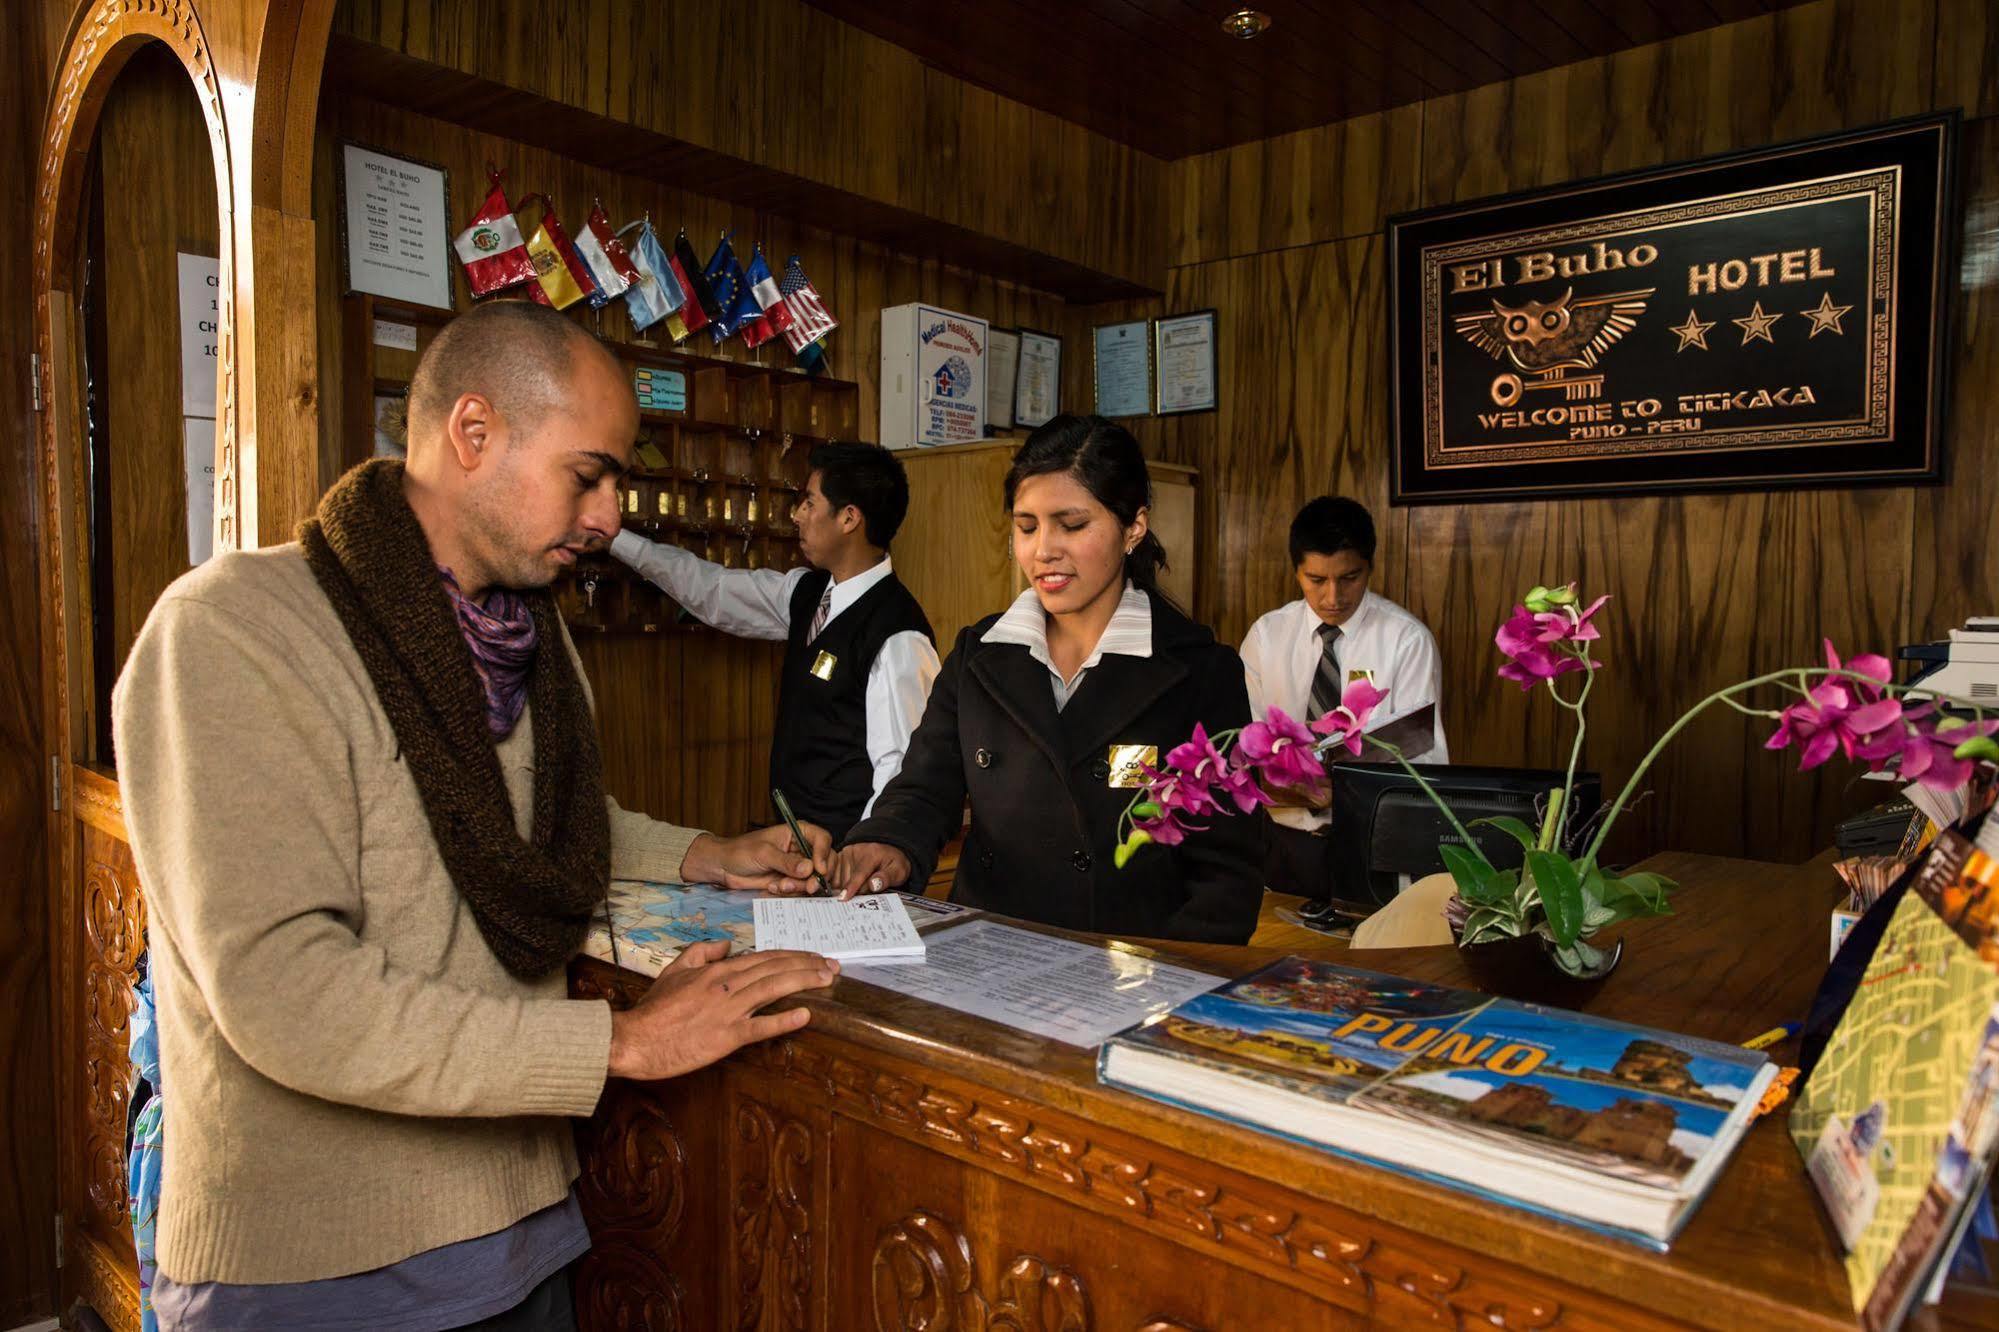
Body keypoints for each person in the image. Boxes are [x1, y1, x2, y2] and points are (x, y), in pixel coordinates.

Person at [112, 300, 840, 1332]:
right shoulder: (234, 629)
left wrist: (705, 855)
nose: (607, 516)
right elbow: (288, 993)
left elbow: (543, 826)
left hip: (524, 1220)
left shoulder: (531, 641)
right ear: (472, 433)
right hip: (321, 1265)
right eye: (588, 475)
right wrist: (619, 1045)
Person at [830, 415, 1262, 943]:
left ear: (1134, 528)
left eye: (1072, 525)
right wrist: (887, 843)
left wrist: (1172, 982)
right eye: (1027, 526)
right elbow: (924, 789)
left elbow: (1227, 869)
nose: (1043, 550)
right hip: (988, 955)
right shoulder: (979, 655)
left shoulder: (1200, 672)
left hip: (1130, 976)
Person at [612, 442, 939, 841]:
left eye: (809, 503)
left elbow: (902, 775)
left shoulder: (898, 634)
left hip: (847, 860)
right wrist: (615, 541)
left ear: (849, 518)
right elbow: (711, 589)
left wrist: (857, 859)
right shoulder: (807, 593)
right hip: (797, 846)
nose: (796, 515)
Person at [1239, 495, 1449, 909]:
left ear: (1369, 566)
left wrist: (1345, 790)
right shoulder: (1267, 636)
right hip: (1282, 842)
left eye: (1349, 578)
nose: (1333, 596)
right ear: (1297, 571)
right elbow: (1242, 746)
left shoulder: (1406, 640)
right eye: (1316, 579)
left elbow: (1427, 763)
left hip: (1369, 844)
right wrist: (1287, 781)